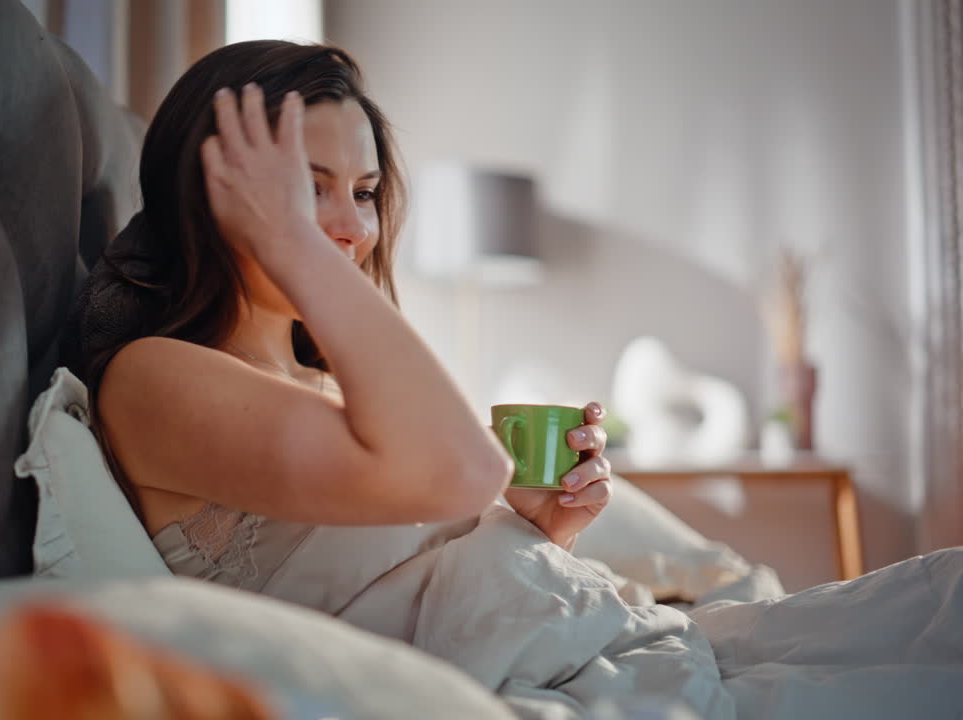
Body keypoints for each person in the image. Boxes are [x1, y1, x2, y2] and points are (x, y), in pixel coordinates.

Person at [66, 41, 963, 720]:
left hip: (610, 645)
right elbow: (461, 473)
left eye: (367, 192)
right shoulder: (155, 380)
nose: (351, 227)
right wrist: (298, 245)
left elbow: (415, 583)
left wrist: (542, 531)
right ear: (221, 189)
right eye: (312, 188)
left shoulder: (318, 378)